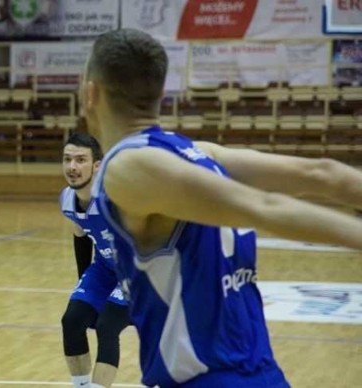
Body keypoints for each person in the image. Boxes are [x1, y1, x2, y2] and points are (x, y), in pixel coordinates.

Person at [81, 28, 362, 388]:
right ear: (160, 94)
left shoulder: (127, 168)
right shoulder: (203, 153)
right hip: (266, 376)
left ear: (91, 93)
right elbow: (323, 174)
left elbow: (264, 206)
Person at [59, 132, 130, 388]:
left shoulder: (117, 198)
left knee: (107, 324)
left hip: (137, 270)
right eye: (67, 160)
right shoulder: (67, 198)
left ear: (97, 166)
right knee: (72, 319)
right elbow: (81, 236)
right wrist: (84, 285)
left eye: (80, 160)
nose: (72, 167)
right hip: (104, 269)